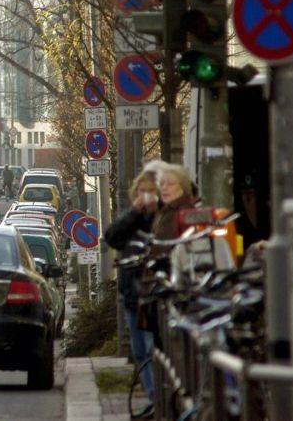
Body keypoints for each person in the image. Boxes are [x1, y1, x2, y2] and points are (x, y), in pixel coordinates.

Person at [104, 166, 161, 419]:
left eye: (151, 191)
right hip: (131, 297)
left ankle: (158, 400)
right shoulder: (133, 219)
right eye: (142, 191)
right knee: (139, 352)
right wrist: (135, 211)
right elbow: (112, 237)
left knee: (151, 350)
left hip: (153, 295)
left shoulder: (162, 218)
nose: (146, 196)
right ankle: (152, 398)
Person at [152, 163, 196, 240]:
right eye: (161, 184)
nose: (164, 188)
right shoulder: (165, 209)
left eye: (170, 184)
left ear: (183, 187)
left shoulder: (185, 212)